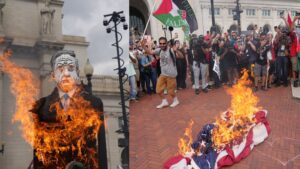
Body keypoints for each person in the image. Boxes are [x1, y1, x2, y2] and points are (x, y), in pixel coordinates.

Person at [31, 50, 107, 169]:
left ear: (77, 72)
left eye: (70, 68)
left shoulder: (94, 103)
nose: (66, 73)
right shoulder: (41, 106)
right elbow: (38, 152)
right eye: (60, 69)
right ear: (53, 75)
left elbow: (101, 149)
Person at [143, 37, 179, 108]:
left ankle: (176, 100)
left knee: (170, 91)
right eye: (160, 43)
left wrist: (176, 50)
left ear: (166, 44)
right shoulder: (159, 50)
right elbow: (150, 52)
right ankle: (164, 101)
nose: (162, 45)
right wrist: (143, 46)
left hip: (171, 74)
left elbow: (178, 54)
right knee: (158, 90)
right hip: (163, 74)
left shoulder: (171, 50)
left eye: (164, 43)